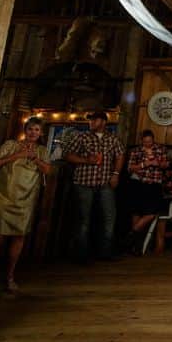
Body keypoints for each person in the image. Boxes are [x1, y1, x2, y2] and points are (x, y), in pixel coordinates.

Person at [0, 117, 52, 292]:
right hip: (3, 197)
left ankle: (9, 276)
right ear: (25, 130)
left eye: (37, 130)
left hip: (26, 199)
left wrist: (35, 158)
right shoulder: (10, 144)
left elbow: (47, 170)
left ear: (41, 133)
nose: (33, 133)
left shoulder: (42, 150)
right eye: (30, 129)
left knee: (19, 237)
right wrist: (17, 155)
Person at [65, 111, 125, 262]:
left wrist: (116, 174)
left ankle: (105, 252)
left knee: (109, 217)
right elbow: (68, 155)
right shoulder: (82, 136)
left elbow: (120, 156)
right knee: (83, 219)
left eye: (94, 120)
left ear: (104, 122)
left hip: (105, 182)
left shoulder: (113, 139)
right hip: (84, 182)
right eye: (90, 120)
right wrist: (86, 160)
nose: (91, 123)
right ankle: (82, 254)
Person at [125, 129, 169, 254]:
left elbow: (166, 164)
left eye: (150, 142)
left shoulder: (161, 149)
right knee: (136, 213)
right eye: (145, 142)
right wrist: (144, 164)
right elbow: (130, 168)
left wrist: (158, 163)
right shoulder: (136, 151)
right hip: (138, 184)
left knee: (152, 213)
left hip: (154, 184)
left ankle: (130, 234)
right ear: (142, 141)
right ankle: (136, 247)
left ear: (153, 139)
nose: (148, 144)